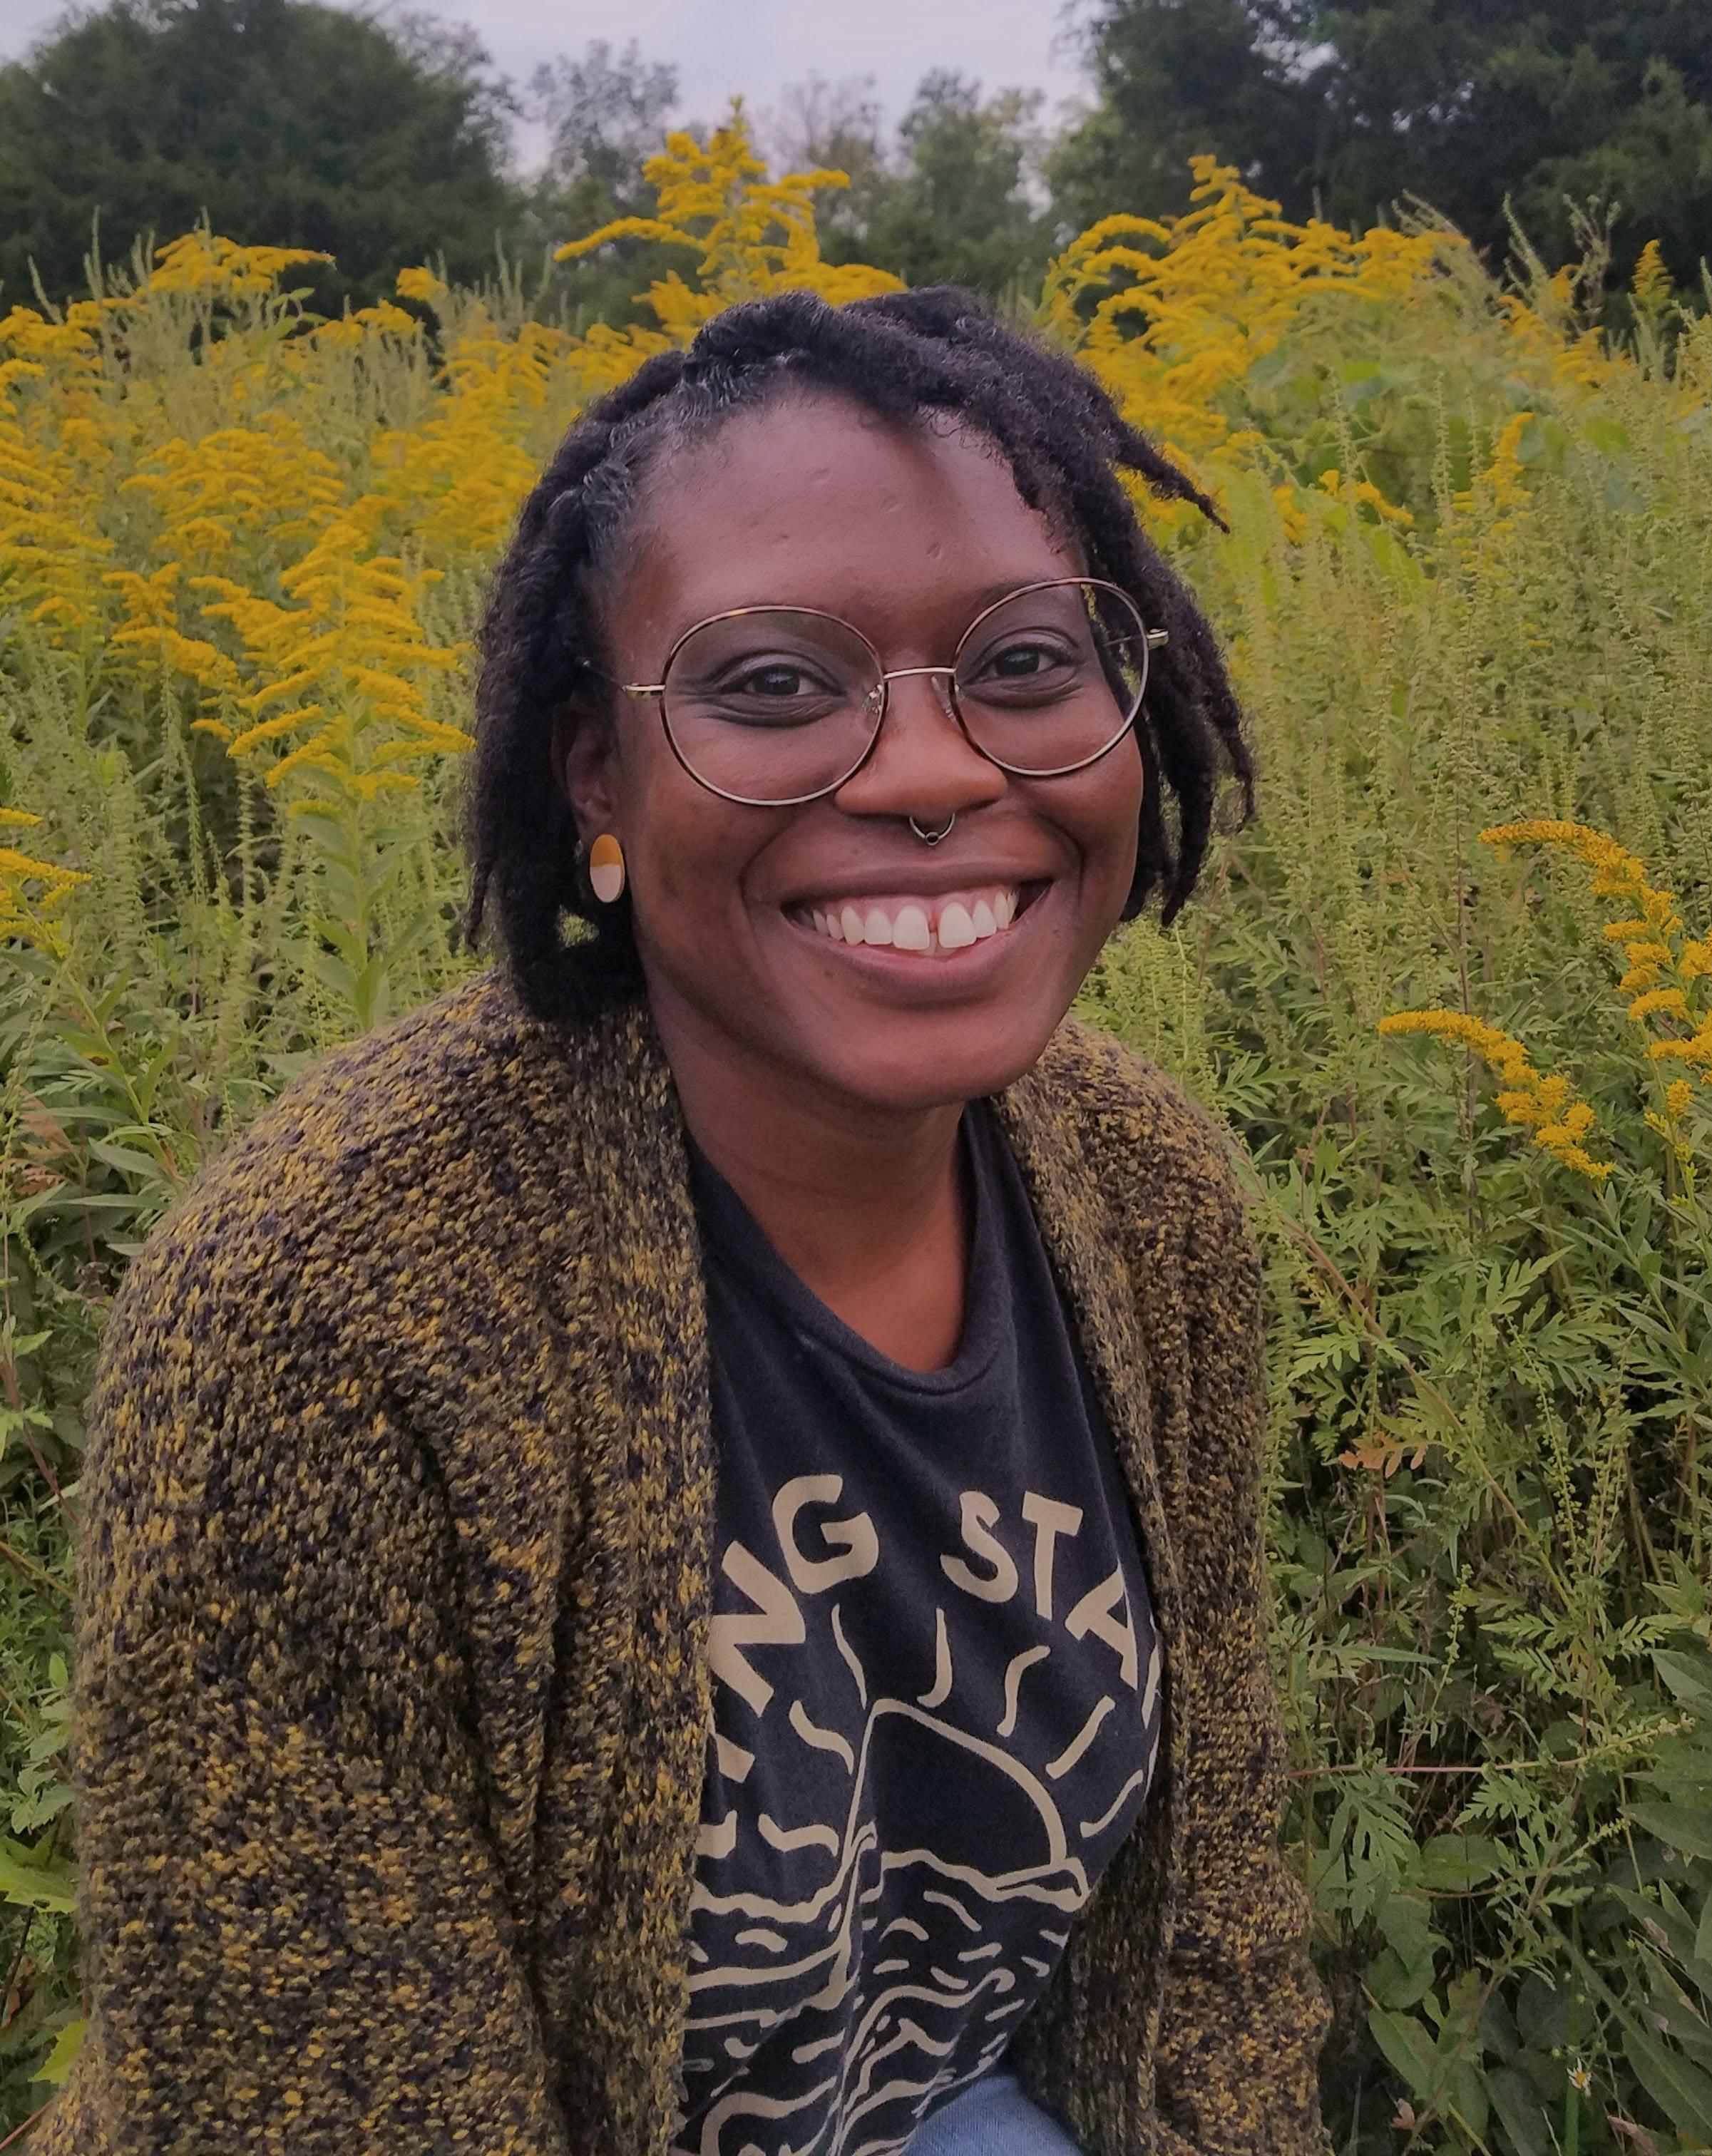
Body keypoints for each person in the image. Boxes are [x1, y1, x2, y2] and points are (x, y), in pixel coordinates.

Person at [42, 287, 1330, 2155]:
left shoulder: (1149, 1197)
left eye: (1027, 661)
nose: (933, 771)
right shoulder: (327, 1313)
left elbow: (1211, 1906)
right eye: (775, 686)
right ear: (600, 775)